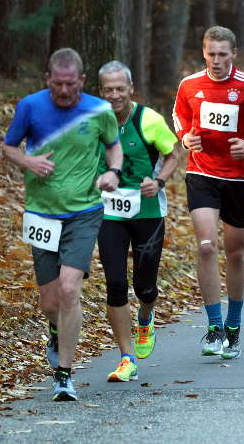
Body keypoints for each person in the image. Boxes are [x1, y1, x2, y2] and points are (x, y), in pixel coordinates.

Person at [2, 48, 122, 401]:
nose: (64, 91)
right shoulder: (30, 107)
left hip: (84, 211)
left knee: (70, 289)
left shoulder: (100, 111)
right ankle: (55, 332)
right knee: (50, 301)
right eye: (58, 84)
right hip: (41, 212)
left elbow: (114, 148)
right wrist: (28, 160)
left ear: (82, 81)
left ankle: (64, 375)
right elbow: (8, 147)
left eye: (71, 84)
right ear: (47, 80)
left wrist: (113, 172)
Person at [173, 26, 244, 358]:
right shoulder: (190, 84)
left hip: (238, 180)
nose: (217, 60)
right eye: (211, 54)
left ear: (234, 53)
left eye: (223, 54)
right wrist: (184, 138)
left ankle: (233, 327)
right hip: (201, 173)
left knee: (235, 253)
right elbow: (179, 116)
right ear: (203, 52)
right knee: (207, 246)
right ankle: (213, 327)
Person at [96, 61, 179, 383]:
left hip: (148, 213)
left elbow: (173, 153)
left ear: (130, 88)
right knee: (115, 284)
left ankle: (146, 318)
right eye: (108, 90)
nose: (114, 95)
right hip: (110, 214)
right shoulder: (95, 122)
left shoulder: (149, 120)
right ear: (101, 92)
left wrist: (158, 181)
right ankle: (126, 357)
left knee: (144, 287)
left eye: (120, 89)